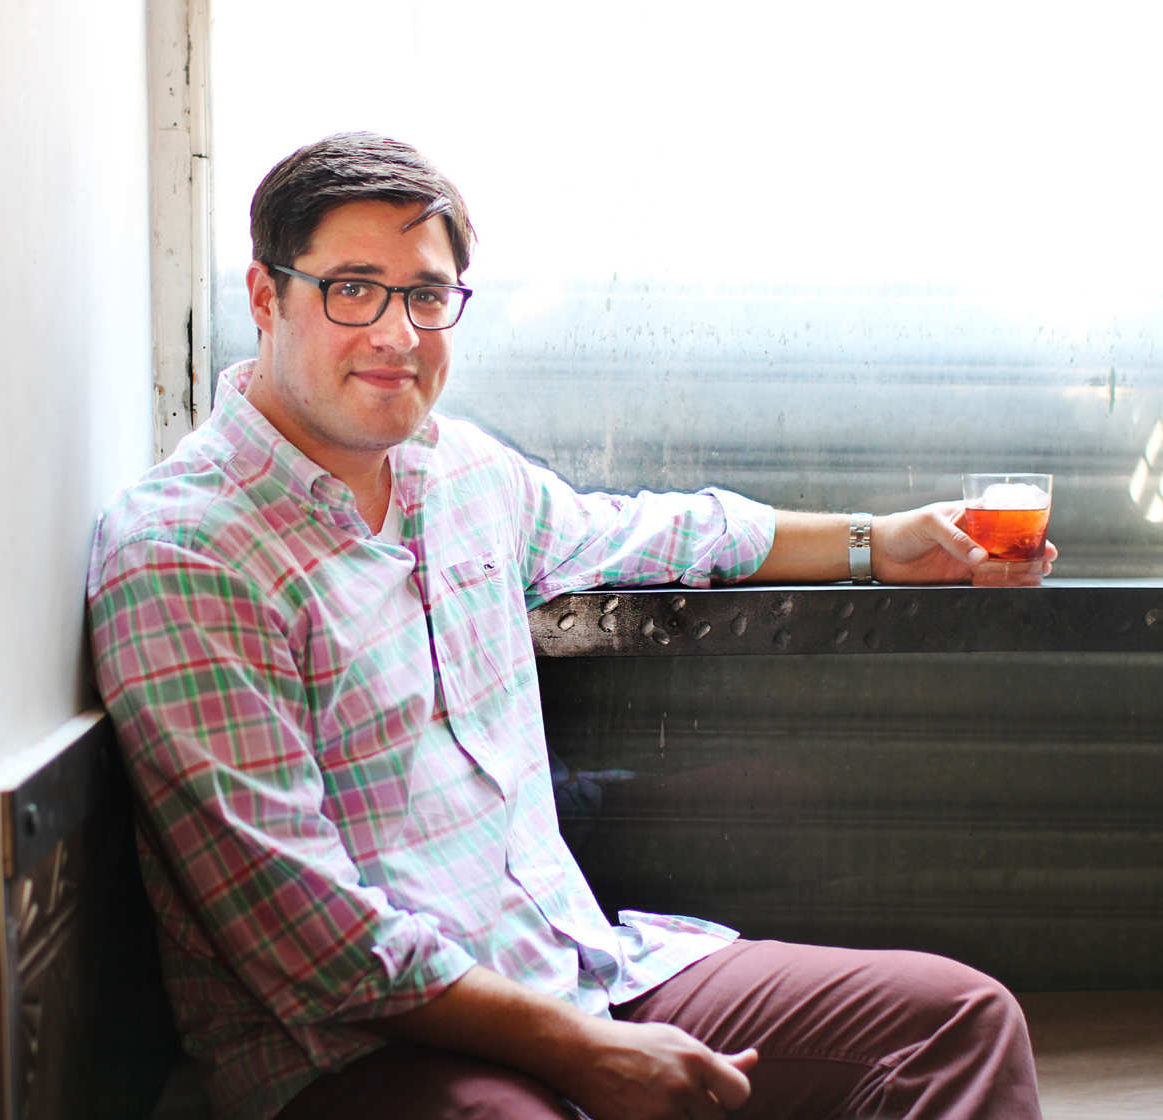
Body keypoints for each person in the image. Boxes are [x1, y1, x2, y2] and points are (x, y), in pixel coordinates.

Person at [87, 132, 1054, 1120]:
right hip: (356, 1054)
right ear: (266, 296)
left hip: (577, 969)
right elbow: (305, 933)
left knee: (958, 1021)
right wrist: (581, 1051)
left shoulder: (459, 472)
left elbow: (648, 530)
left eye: (426, 295)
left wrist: (874, 542)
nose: (397, 334)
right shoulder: (186, 552)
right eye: (353, 290)